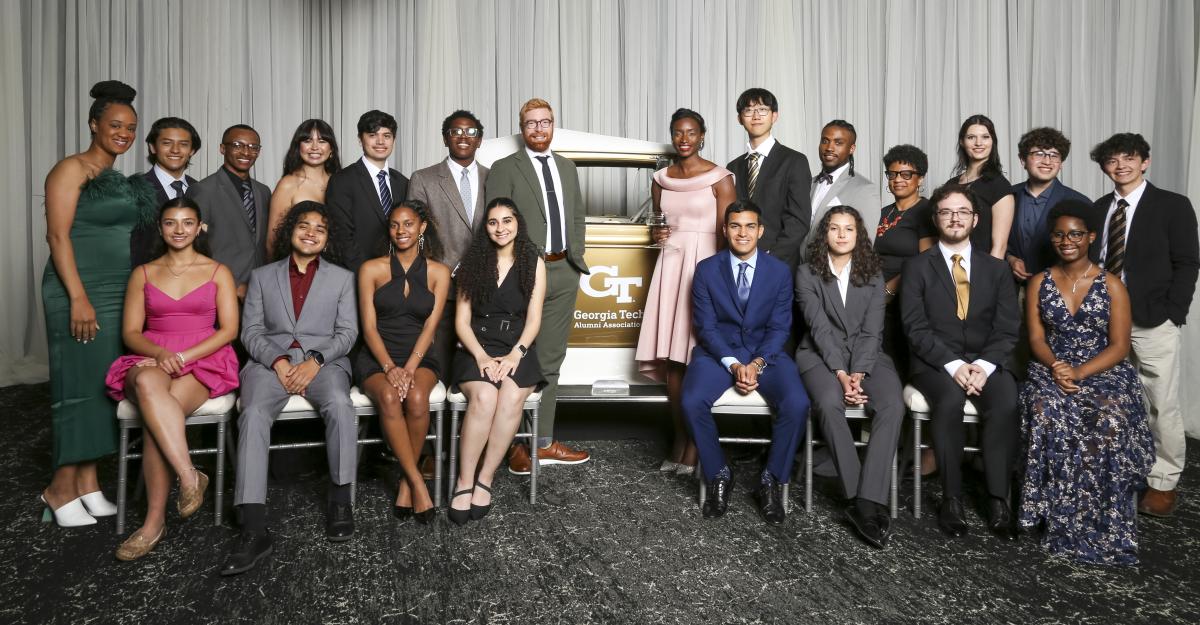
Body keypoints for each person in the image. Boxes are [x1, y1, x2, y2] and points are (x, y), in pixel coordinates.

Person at [41, 80, 156, 528]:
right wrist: (78, 298)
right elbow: (57, 236)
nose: (124, 133)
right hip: (78, 291)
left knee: (102, 387)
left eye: (130, 127)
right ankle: (58, 487)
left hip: (116, 291)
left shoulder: (119, 178)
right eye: (115, 125)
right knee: (77, 387)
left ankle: (87, 483)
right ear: (93, 124)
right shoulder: (71, 169)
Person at [221, 202, 358, 576]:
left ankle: (340, 501)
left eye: (320, 228)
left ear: (327, 240)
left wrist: (314, 360)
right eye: (304, 225)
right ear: (290, 231)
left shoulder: (343, 278)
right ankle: (252, 527)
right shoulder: (262, 276)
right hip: (270, 364)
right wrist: (279, 362)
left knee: (340, 405)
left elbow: (347, 333)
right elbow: (250, 331)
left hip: (323, 363)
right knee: (252, 415)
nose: (311, 232)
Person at [104, 198, 240, 560]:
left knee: (156, 420)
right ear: (160, 228)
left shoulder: (217, 271)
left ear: (199, 228)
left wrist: (184, 357)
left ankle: (152, 523)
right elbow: (131, 331)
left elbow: (229, 329)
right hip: (150, 353)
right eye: (170, 222)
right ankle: (190, 476)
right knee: (148, 385)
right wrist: (161, 355)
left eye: (187, 222)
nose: (179, 229)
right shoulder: (144, 273)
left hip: (202, 358)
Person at [1019, 202, 1154, 565]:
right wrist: (1058, 366)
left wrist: (1079, 373)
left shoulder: (1111, 285)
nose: (1067, 241)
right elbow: (1035, 340)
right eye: (1060, 234)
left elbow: (1120, 346)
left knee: (1109, 417)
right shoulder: (1039, 282)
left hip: (1102, 369)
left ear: (1091, 237)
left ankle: (1103, 518)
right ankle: (1057, 516)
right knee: (1047, 410)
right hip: (1050, 366)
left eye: (1076, 234)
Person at [900, 183, 1020, 540]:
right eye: (947, 212)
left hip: (987, 362)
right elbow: (914, 327)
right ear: (936, 219)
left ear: (975, 219)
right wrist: (954, 366)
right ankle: (952, 499)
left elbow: (1008, 328)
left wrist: (983, 366)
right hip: (934, 363)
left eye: (962, 212)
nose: (955, 218)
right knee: (949, 401)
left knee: (1005, 402)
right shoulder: (917, 267)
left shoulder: (997, 270)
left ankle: (998, 499)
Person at [1090, 133, 1199, 517]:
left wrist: (1175, 311)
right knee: (1111, 399)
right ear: (1104, 167)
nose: (1121, 165)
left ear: (1144, 161)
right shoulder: (1099, 207)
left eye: (1129, 158)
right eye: (1112, 160)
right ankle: (1119, 470)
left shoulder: (1172, 205)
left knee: (1160, 402)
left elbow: (1188, 262)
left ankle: (1163, 481)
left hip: (1153, 319)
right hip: (1105, 321)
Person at [681, 200, 810, 525]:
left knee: (797, 403)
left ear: (760, 230)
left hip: (766, 355)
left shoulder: (779, 271)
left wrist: (757, 362)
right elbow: (706, 327)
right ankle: (718, 473)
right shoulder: (707, 269)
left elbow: (781, 326)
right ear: (725, 230)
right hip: (719, 354)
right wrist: (733, 364)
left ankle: (770, 480)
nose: (742, 232)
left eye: (750, 226)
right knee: (691, 399)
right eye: (735, 225)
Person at [485, 98, 590, 474]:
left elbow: (577, 216)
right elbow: (495, 221)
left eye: (545, 122)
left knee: (550, 359)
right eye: (531, 124)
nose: (539, 129)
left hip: (563, 270)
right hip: (523, 273)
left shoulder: (567, 167)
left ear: (553, 125)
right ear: (522, 127)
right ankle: (512, 445)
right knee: (513, 353)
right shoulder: (504, 168)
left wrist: (575, 259)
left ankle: (541, 442)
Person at [794, 207, 904, 549]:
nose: (842, 235)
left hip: (867, 356)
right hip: (819, 355)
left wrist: (859, 372)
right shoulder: (806, 273)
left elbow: (873, 330)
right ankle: (862, 499)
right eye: (835, 228)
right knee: (828, 402)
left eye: (849, 229)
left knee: (892, 404)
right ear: (824, 234)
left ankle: (865, 500)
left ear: (860, 236)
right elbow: (819, 329)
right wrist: (842, 375)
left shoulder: (873, 274)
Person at [635, 108, 735, 476]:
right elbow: (659, 225)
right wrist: (656, 234)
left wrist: (724, 287)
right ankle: (680, 439)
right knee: (674, 362)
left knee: (698, 358)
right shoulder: (660, 179)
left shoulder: (721, 179)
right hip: (672, 268)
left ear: (702, 135)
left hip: (706, 268)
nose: (684, 139)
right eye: (678, 133)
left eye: (691, 132)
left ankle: (696, 444)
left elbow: (729, 235)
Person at [447, 198, 546, 525]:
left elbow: (534, 320)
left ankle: (485, 478)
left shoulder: (533, 261)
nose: (500, 228)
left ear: (518, 223)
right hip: (476, 345)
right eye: (493, 222)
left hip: (518, 345)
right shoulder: (472, 261)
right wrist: (483, 357)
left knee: (510, 398)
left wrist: (516, 353)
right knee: (485, 396)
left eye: (507, 220)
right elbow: (461, 322)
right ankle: (464, 480)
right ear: (485, 227)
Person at [354, 200, 450, 523]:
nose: (401, 231)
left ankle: (407, 485)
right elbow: (367, 327)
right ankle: (416, 483)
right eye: (395, 225)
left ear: (422, 227)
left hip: (420, 356)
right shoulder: (371, 269)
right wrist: (389, 368)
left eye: (408, 224)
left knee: (418, 396)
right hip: (377, 356)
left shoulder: (439, 272)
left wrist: (408, 368)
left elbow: (430, 328)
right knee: (389, 396)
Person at [407, 110, 489, 382]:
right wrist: (435, 271)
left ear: (480, 140)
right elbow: (416, 234)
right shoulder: (423, 178)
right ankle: (438, 422)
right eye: (456, 131)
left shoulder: (495, 177)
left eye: (471, 132)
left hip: (485, 287)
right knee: (439, 362)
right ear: (445, 139)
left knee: (478, 365)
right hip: (441, 286)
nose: (463, 136)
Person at [726, 88, 812, 269]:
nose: (756, 116)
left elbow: (799, 221)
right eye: (748, 110)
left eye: (762, 110)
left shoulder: (794, 161)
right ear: (740, 119)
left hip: (778, 263)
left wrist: (771, 258)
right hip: (737, 262)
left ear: (774, 116)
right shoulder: (733, 167)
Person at [188, 124, 271, 300]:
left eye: (253, 147)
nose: (246, 152)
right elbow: (194, 248)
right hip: (221, 291)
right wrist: (233, 285)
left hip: (260, 290)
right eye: (238, 145)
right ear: (222, 148)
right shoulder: (203, 190)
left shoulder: (263, 191)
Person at [874, 144, 935, 379]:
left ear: (920, 179)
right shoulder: (883, 212)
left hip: (905, 297)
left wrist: (889, 290)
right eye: (892, 174)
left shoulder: (926, 211)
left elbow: (925, 260)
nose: (898, 179)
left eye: (906, 174)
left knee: (895, 356)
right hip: (875, 294)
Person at [327, 109, 409, 273]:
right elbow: (342, 237)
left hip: (399, 275)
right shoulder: (342, 181)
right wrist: (369, 274)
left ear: (394, 140)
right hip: (357, 274)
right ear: (360, 139)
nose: (380, 141)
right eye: (372, 135)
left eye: (386, 136)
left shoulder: (402, 182)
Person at [1006, 127, 1091, 282]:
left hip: (1062, 288)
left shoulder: (1078, 202)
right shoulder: (1007, 196)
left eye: (1054, 155)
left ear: (1061, 163)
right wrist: (1010, 259)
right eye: (1038, 154)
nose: (1047, 161)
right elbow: (995, 241)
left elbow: (1089, 252)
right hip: (1012, 289)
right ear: (1023, 160)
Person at [132, 117, 201, 267]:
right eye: (167, 143)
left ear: (192, 151)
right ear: (153, 147)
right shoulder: (133, 189)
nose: (175, 150)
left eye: (183, 144)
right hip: (147, 280)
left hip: (194, 281)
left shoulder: (201, 189)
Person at [267, 119, 341, 252]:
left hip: (335, 265)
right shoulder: (288, 184)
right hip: (296, 266)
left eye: (322, 141)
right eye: (307, 141)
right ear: (298, 147)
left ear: (331, 149)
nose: (314, 147)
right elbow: (272, 240)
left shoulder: (341, 182)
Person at [946, 114, 1014, 258]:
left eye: (985, 137)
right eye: (971, 137)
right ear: (962, 142)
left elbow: (999, 247)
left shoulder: (999, 186)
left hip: (982, 270)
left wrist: (988, 279)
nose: (979, 143)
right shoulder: (951, 185)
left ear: (993, 141)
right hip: (950, 265)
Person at [806, 120, 882, 246]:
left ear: (851, 148)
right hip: (798, 264)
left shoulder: (865, 189)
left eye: (838, 143)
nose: (829, 148)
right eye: (825, 141)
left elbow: (865, 245)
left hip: (832, 265)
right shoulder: (808, 183)